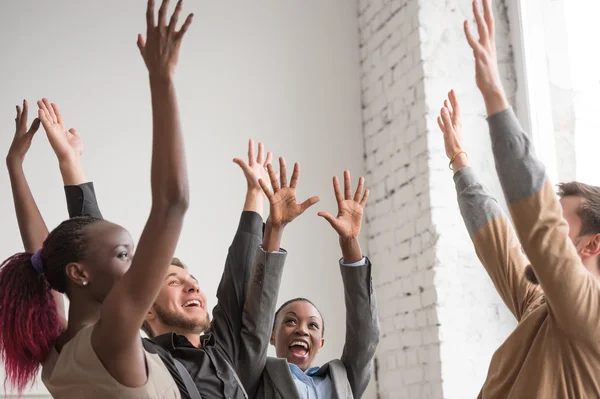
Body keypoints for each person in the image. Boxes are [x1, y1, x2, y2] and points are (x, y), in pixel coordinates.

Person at [0, 0, 193, 397]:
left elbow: (43, 254)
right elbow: (172, 203)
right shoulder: (112, 337)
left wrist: (16, 167)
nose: (138, 262)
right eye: (124, 254)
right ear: (80, 274)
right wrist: (162, 79)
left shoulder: (56, 349)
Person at [435, 2, 600, 395]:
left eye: (564, 227)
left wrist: (494, 94)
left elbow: (538, 223)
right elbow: (500, 244)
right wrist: (459, 161)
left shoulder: (591, 314)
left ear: (592, 244)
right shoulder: (542, 306)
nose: (544, 237)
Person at [238, 165, 380, 399]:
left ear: (321, 343)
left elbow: (366, 336)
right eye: (290, 321)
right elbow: (257, 320)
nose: (302, 329)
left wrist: (350, 243)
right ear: (271, 336)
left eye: (312, 325)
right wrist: (275, 227)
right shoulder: (257, 375)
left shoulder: (342, 378)